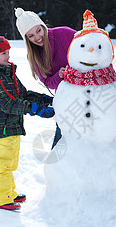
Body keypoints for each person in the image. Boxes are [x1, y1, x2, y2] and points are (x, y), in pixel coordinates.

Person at [0, 33, 55, 211]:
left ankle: (8, 193)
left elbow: (23, 94)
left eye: (8, 52)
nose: (8, 56)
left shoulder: (7, 74)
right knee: (2, 164)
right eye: (4, 53)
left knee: (11, 162)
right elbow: (8, 103)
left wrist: (43, 99)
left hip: (12, 127)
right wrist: (34, 109)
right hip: (1, 130)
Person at [15, 8, 76, 148]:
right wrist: (58, 75)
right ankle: (55, 167)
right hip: (66, 99)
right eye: (30, 36)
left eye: (38, 31)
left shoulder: (64, 34)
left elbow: (89, 45)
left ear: (43, 26)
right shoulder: (34, 57)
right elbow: (48, 83)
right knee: (63, 138)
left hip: (88, 90)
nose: (37, 37)